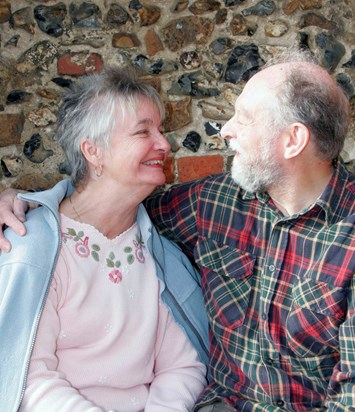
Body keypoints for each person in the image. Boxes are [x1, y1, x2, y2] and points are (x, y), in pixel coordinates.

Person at [0, 48, 354, 411]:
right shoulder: (213, 204)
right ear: (93, 151)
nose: (226, 130)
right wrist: (23, 199)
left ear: (293, 140)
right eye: (144, 131)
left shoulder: (348, 237)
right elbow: (102, 207)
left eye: (244, 119)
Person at [0, 67, 209, 412]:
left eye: (160, 130)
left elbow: (182, 365)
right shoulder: (31, 246)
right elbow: (26, 377)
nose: (164, 144)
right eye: (144, 132)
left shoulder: (161, 254)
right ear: (93, 151)